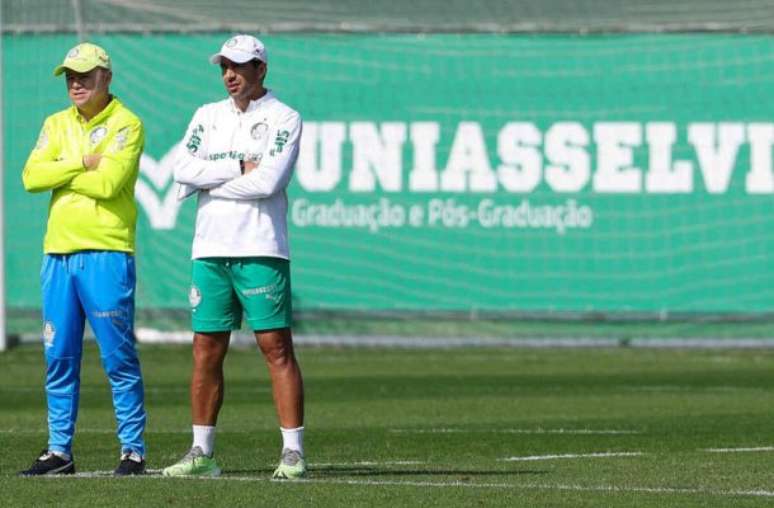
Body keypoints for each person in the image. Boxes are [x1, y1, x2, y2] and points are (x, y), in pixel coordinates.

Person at [163, 34, 306, 480]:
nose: (230, 74)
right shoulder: (207, 115)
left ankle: (293, 453)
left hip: (261, 247)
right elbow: (181, 170)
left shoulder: (284, 117)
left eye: (239, 66)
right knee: (205, 350)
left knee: (275, 347)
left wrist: (207, 183)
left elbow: (269, 182)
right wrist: (235, 168)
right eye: (225, 66)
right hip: (209, 249)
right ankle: (202, 452)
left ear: (260, 69)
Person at [19, 43, 147, 476]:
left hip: (107, 252)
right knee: (58, 356)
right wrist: (81, 162)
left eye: (84, 76)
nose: (75, 83)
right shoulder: (55, 123)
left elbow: (109, 183)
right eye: (70, 76)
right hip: (57, 253)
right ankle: (60, 451)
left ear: (105, 78)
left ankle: (132, 450)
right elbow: (31, 177)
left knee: (118, 357)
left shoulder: (127, 123)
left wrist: (62, 171)